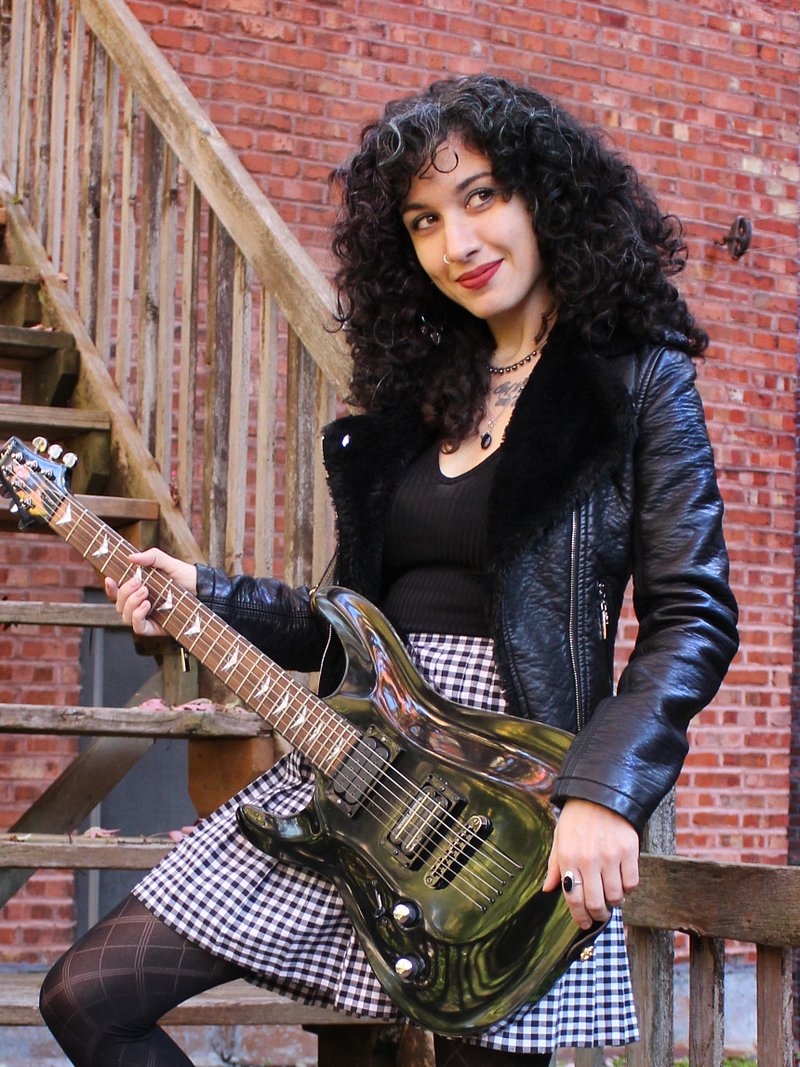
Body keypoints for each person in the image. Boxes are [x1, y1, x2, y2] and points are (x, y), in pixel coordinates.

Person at [39, 74, 738, 1066]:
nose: (457, 241)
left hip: (506, 811)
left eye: (481, 196)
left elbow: (692, 615)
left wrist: (605, 789)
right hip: (353, 764)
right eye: (423, 220)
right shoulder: (419, 402)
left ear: (548, 195)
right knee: (88, 995)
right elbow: (347, 621)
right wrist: (205, 594)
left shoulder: (635, 380)